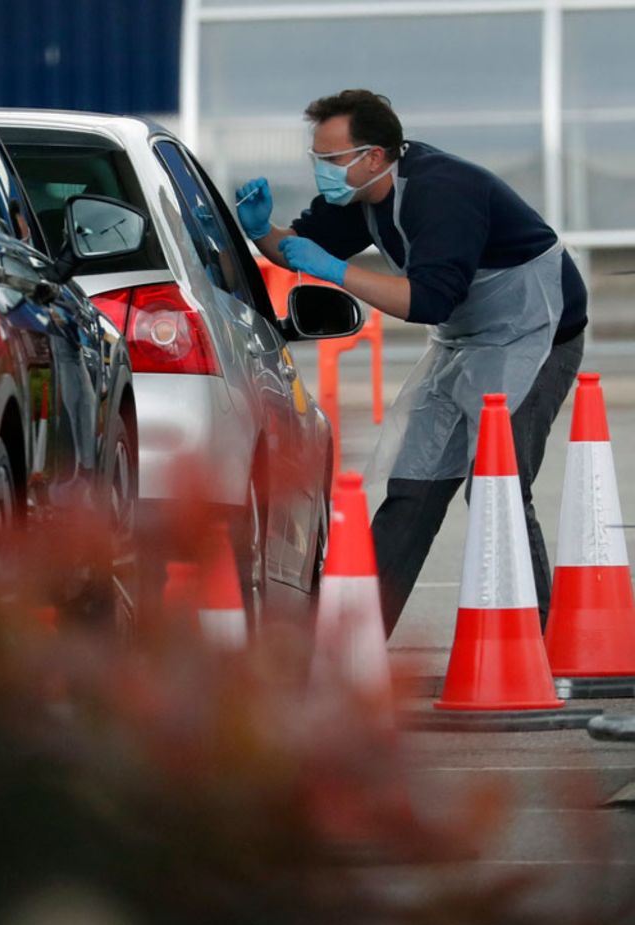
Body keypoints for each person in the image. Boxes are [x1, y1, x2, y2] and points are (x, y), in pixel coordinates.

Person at [234, 89, 588, 637]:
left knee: (498, 482)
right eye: (316, 159)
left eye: (330, 159)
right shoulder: (362, 195)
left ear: (373, 155)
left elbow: (427, 301)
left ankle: (535, 644)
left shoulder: (441, 194)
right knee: (413, 486)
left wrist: (336, 272)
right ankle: (352, 644)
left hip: (535, 334)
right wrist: (262, 231)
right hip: (465, 339)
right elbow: (298, 245)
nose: (321, 170)